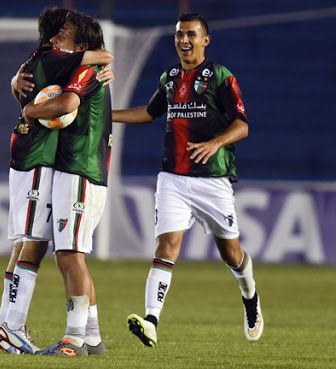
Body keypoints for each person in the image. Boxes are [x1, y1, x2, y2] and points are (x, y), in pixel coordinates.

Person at [112, 12, 263, 346]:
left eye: (191, 35)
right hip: (173, 178)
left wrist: (214, 143)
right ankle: (151, 320)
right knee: (167, 246)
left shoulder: (220, 77)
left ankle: (250, 296)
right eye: (179, 34)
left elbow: (243, 125)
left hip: (213, 179)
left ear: (205, 40)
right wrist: (106, 117)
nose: (183, 40)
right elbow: (149, 114)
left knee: (231, 253)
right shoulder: (170, 77)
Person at [0, 8, 112, 355]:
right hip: (48, 162)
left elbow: (68, 101)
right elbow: (89, 70)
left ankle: (68, 337)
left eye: (63, 33)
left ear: (80, 42)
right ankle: (19, 327)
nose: (56, 38)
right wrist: (22, 94)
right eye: (54, 32)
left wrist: (28, 106)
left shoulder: (76, 66)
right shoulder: (59, 60)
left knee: (62, 251)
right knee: (45, 245)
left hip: (72, 167)